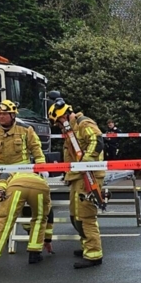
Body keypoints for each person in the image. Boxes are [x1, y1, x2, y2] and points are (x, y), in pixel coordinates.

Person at [0, 99, 52, 259]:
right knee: (2, 208)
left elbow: (36, 148)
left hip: (21, 173)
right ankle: (3, 237)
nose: (1, 117)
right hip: (0, 175)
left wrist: (41, 166)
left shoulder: (25, 129)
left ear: (12, 115)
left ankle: (28, 231)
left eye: (5, 114)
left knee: (26, 208)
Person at [48, 98, 105, 268]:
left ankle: (94, 254)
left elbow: (97, 142)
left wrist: (85, 164)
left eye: (58, 122)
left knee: (85, 216)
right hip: (77, 176)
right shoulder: (71, 130)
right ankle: (87, 246)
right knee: (75, 216)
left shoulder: (83, 123)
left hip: (89, 176)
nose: (58, 126)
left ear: (63, 115)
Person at [0, 172, 52, 273]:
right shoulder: (36, 174)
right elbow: (50, 214)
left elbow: (2, 179)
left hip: (16, 187)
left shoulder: (12, 172)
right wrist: (48, 239)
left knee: (5, 221)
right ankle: (34, 254)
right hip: (40, 187)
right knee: (40, 218)